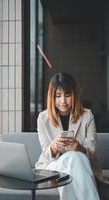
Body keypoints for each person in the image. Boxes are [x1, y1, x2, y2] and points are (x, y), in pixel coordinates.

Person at [35, 72, 103, 200]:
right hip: (52, 165)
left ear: (74, 95)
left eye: (67, 95)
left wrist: (79, 148)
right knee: (74, 157)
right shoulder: (43, 118)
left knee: (75, 157)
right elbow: (46, 152)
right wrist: (54, 146)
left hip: (80, 165)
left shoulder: (87, 116)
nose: (63, 101)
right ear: (52, 97)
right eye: (58, 96)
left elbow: (92, 152)